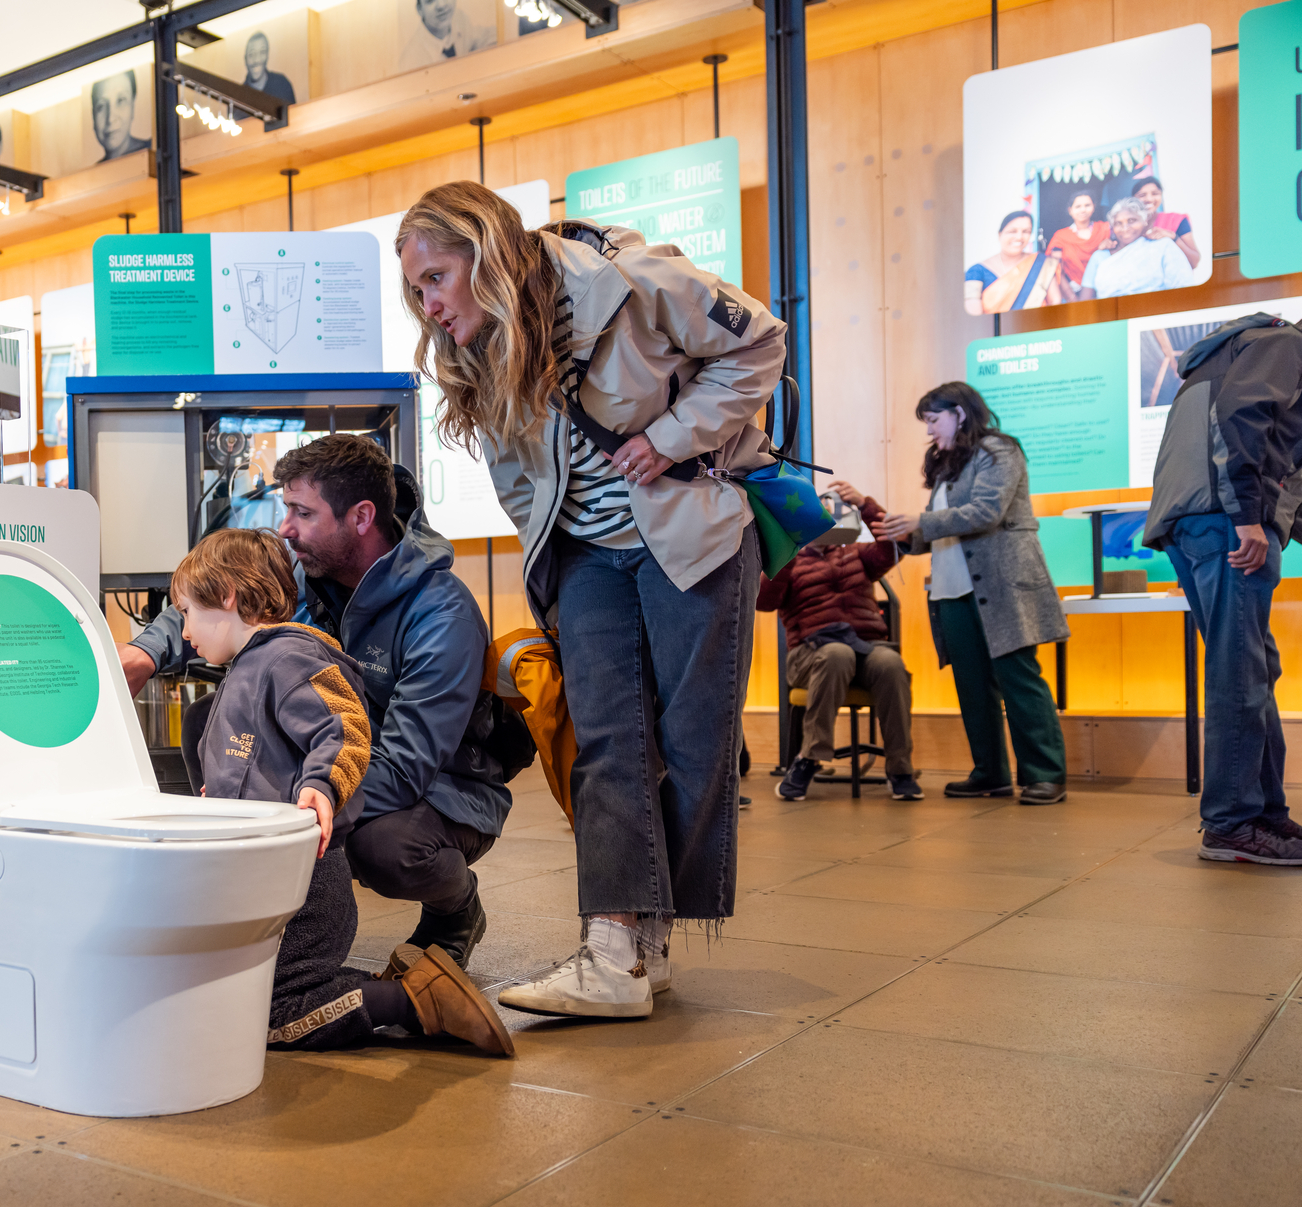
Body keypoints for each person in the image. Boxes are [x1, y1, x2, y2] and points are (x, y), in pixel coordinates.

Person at [396, 182, 786, 1019]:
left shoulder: (632, 281)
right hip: (585, 559)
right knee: (604, 742)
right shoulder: (478, 349)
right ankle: (612, 952)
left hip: (693, 540)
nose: (428, 306)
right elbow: (513, 474)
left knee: (692, 743)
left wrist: (671, 437)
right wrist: (549, 547)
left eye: (435, 278)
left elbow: (758, 341)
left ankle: (648, 946)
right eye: (416, 290)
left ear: (485, 253)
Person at [123, 435, 511, 969]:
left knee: (385, 849)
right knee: (205, 720)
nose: (285, 528)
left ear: (361, 516)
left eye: (303, 513)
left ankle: (457, 907)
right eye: (287, 509)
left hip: (443, 789)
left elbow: (404, 766)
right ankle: (264, 890)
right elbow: (212, 592)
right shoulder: (308, 572)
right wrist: (145, 652)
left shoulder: (441, 617)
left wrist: (287, 811)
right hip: (328, 759)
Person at [171, 528, 512, 1055]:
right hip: (270, 872)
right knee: (249, 991)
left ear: (229, 597)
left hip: (305, 881)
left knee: (278, 1012)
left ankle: (420, 1002)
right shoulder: (251, 662)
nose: (185, 628)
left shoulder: (286, 659)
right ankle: (403, 980)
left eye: (187, 611)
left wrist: (323, 787)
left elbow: (345, 727)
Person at [1143, 314, 1302, 864]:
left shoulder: (1238, 348)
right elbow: (1241, 419)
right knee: (1240, 670)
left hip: (1198, 520)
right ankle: (1232, 824)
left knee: (1253, 666)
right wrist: (1249, 517)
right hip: (1224, 521)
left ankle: (1263, 813)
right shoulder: (1284, 344)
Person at [873, 383, 1068, 804]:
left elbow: (985, 512)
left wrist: (919, 524)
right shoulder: (949, 463)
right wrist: (907, 534)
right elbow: (942, 525)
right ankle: (990, 773)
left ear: (960, 413)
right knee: (973, 687)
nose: (929, 431)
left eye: (933, 420)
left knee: (1019, 679)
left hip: (1001, 585)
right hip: (950, 589)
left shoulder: (1000, 450)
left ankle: (1045, 774)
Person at [761, 480, 920, 801]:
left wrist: (865, 504)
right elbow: (763, 601)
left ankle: (900, 767)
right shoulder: (790, 560)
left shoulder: (856, 555)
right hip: (813, 652)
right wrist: (790, 548)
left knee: (890, 662)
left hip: (866, 646)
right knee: (836, 654)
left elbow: (893, 545)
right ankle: (809, 758)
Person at [1077, 197, 1192, 300]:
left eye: (1131, 221)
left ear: (1144, 221)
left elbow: (1182, 288)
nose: (1125, 228)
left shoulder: (1162, 246)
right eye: (1118, 223)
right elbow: (1085, 301)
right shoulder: (1100, 256)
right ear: (1112, 227)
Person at [963, 210, 1060, 315]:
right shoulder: (976, 271)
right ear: (1000, 234)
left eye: (1026, 231)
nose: (1019, 237)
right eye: (1012, 231)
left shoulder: (1042, 263)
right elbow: (974, 315)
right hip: (992, 330)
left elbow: (1055, 303)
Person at [1046, 192, 1112, 294]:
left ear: (1093, 207)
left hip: (1105, 287)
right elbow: (1056, 269)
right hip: (1073, 289)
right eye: (1078, 206)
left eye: (1087, 205)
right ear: (1070, 210)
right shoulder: (1061, 236)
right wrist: (1071, 298)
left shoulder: (1105, 229)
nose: (1083, 210)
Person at [401, 0, 495, 67]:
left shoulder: (459, 18)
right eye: (430, 1)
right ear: (419, 9)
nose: (441, 5)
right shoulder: (411, 61)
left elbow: (486, 36)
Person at [1134, 179, 1201, 270]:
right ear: (1133, 199)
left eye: (1155, 194)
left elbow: (1194, 262)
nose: (1149, 199)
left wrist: (1173, 238)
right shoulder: (1127, 228)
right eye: (1142, 195)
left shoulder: (1176, 220)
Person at [90, 71, 150, 163]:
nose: (110, 119)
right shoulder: (91, 174)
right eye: (101, 106)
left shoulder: (154, 151)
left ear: (133, 105)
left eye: (121, 100)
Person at [241, 32, 296, 104]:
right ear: (245, 59)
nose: (257, 59)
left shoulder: (282, 85)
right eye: (251, 54)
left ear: (267, 55)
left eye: (262, 52)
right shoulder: (239, 96)